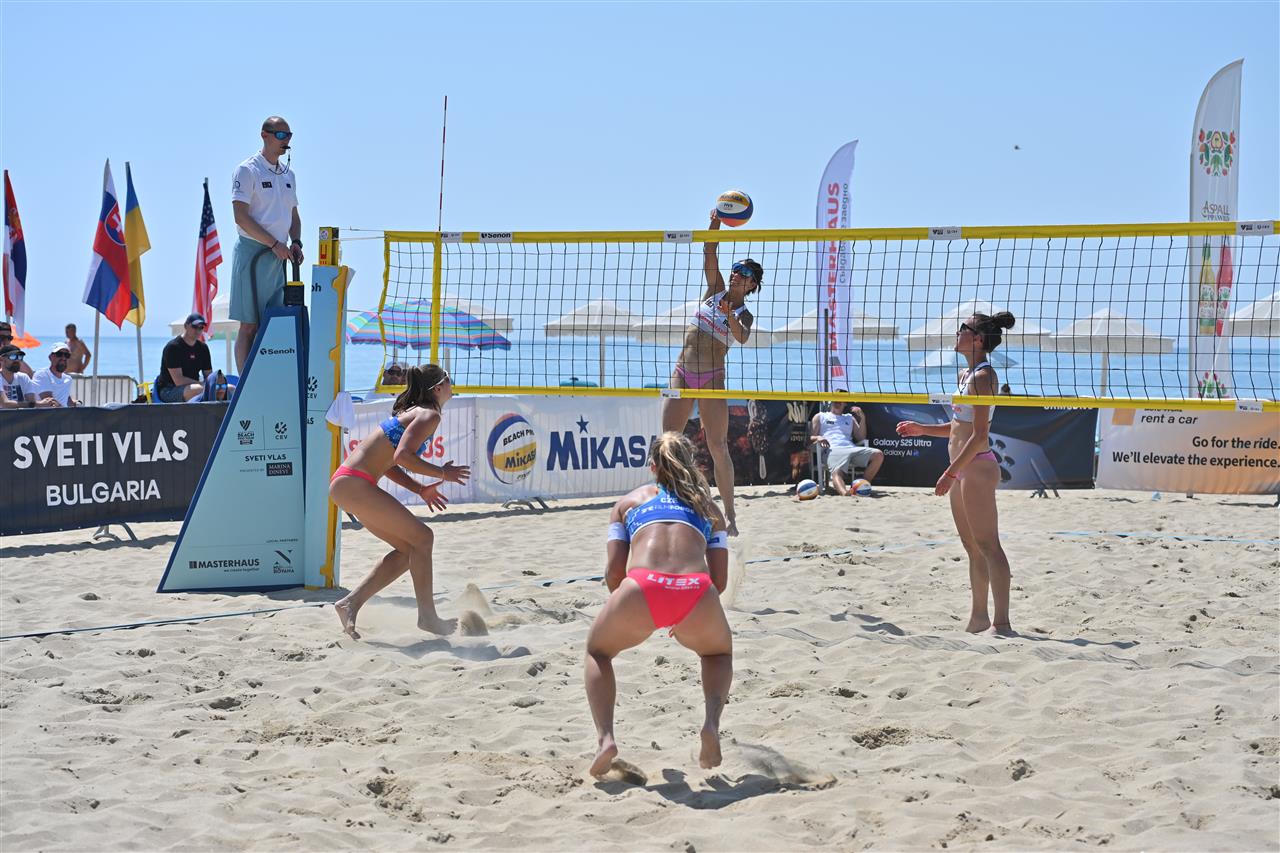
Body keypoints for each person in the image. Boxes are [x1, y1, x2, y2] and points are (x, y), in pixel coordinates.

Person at [584, 431, 732, 777]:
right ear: (692, 464)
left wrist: (637, 610)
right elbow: (720, 581)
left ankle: (606, 739)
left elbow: (614, 573)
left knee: (597, 652)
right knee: (717, 654)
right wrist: (681, 612)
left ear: (652, 466)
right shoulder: (709, 509)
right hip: (696, 590)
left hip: (642, 586)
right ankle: (711, 724)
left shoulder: (627, 503)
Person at [896, 311, 1017, 635]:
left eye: (962, 328)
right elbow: (959, 426)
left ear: (977, 339)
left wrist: (950, 473)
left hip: (975, 468)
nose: (956, 333)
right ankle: (978, 618)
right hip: (962, 468)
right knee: (972, 547)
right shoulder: (965, 374)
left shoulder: (984, 376)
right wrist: (923, 429)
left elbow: (979, 435)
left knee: (989, 545)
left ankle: (1002, 623)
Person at [330, 364, 470, 638]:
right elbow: (402, 457)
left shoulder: (414, 412)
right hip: (354, 483)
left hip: (348, 483)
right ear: (438, 387)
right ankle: (428, 617)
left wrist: (420, 489)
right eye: (449, 380)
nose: (452, 385)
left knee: (410, 550)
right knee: (424, 538)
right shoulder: (429, 414)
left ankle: (349, 604)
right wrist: (443, 473)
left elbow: (389, 464)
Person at [661, 209, 763, 536]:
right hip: (683, 373)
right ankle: (669, 502)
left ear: (752, 284)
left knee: (718, 446)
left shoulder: (744, 314)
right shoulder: (715, 288)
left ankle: (730, 515)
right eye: (736, 268)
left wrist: (728, 315)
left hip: (712, 380)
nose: (736, 274)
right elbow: (709, 250)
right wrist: (716, 221)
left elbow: (742, 336)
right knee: (668, 442)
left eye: (743, 272)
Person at [230, 115, 302, 373]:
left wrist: (296, 241)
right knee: (249, 324)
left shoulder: (288, 174)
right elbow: (240, 216)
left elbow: (293, 216)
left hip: (279, 255)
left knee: (272, 324)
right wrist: (272, 243)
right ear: (265, 135)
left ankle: (266, 378)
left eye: (289, 135)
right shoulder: (247, 169)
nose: (286, 141)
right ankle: (244, 383)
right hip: (253, 253)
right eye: (281, 135)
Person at [809, 396, 884, 494]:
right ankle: (845, 493)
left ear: (845, 403)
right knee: (837, 472)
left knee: (878, 455)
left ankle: (861, 487)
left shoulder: (849, 418)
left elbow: (861, 437)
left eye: (841, 400)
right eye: (836, 399)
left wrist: (862, 417)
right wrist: (818, 437)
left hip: (851, 448)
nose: (838, 401)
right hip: (832, 449)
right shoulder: (820, 416)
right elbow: (810, 438)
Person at [154, 314, 214, 403]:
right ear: (186, 326)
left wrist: (216, 384)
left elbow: (208, 375)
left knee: (229, 389)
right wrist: (203, 384)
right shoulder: (173, 347)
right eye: (195, 326)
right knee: (200, 389)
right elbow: (179, 381)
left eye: (201, 327)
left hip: (193, 386)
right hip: (169, 389)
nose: (198, 330)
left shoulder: (203, 348)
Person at [32, 343, 80, 407]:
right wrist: (65, 411)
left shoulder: (68, 379)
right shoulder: (42, 375)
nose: (63, 358)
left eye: (66, 355)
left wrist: (78, 404)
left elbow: (66, 400)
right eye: (59, 354)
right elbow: (51, 403)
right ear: (50, 357)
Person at [0, 344, 45, 408]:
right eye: (13, 356)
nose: (17, 360)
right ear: (1, 359)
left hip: (21, 414)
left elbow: (31, 401)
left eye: (20, 357)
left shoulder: (23, 377)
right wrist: (38, 404)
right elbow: (5, 404)